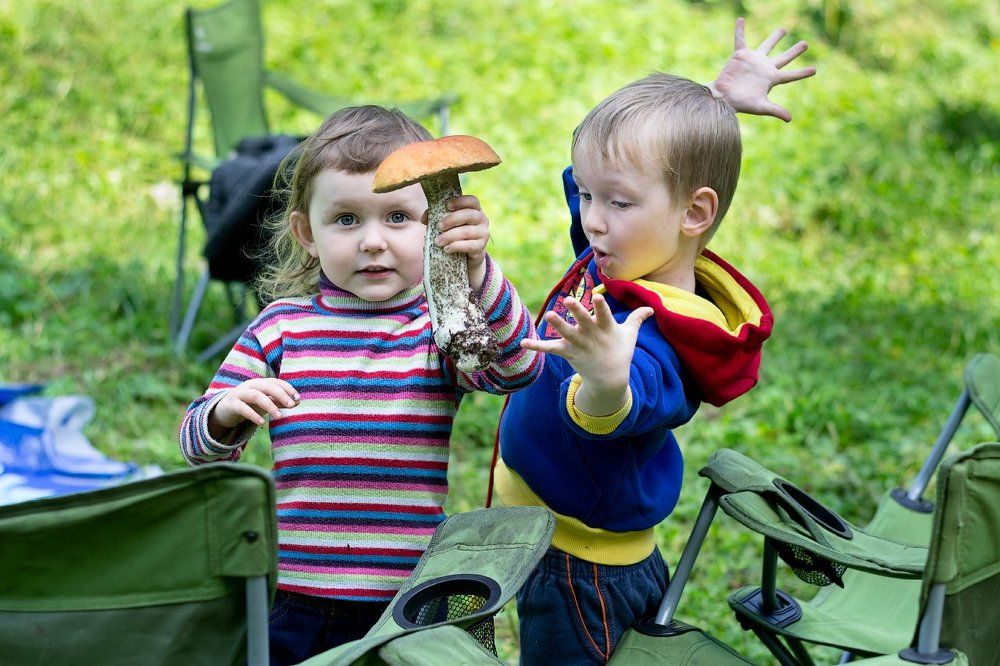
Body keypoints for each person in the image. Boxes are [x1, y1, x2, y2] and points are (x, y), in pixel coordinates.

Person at [493, 21, 814, 665]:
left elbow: (627, 404)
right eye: (587, 196)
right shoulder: (622, 252)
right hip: (541, 533)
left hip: (583, 571)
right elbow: (593, 172)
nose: (590, 219)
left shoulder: (667, 335)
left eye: (614, 201)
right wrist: (714, 107)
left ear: (694, 214)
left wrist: (608, 380)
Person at [178, 105, 541, 665]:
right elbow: (196, 444)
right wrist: (225, 410)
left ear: (435, 225)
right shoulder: (280, 327)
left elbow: (516, 368)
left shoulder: (436, 327)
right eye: (346, 219)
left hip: (403, 605)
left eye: (398, 217)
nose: (373, 241)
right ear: (306, 232)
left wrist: (477, 273)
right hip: (290, 599)